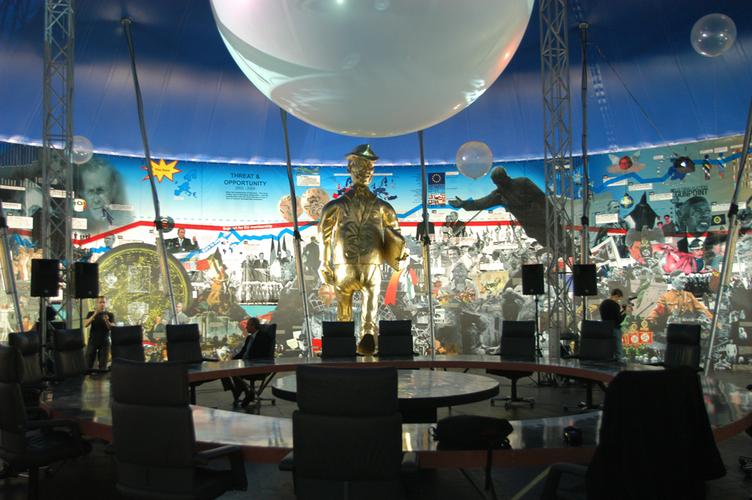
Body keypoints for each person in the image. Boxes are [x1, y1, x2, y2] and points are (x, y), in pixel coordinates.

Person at [318, 144, 406, 355]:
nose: (365, 172)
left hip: (367, 266)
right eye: (360, 167)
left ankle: (366, 340)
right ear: (350, 169)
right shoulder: (336, 207)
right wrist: (323, 263)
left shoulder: (382, 207)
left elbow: (397, 237)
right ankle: (350, 343)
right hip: (346, 266)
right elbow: (323, 235)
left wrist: (400, 256)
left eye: (369, 168)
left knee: (367, 311)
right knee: (346, 311)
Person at [450, 166, 568, 250]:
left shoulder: (523, 183)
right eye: (496, 183)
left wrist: (555, 216)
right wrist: (463, 204)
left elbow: (543, 199)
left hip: (548, 222)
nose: (498, 185)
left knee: (566, 247)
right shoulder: (499, 194)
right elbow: (480, 203)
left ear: (505, 178)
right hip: (535, 229)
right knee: (553, 253)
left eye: (499, 182)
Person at [225, 317, 273, 407]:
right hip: (247, 364)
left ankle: (242, 391)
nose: (246, 327)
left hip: (257, 367)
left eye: (248, 325)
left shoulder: (263, 337)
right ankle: (245, 392)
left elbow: (261, 355)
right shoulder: (249, 338)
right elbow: (242, 352)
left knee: (234, 373)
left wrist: (247, 361)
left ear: (253, 326)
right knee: (226, 370)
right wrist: (231, 360)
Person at [84, 296, 114, 369]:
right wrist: (95, 314)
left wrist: (106, 320)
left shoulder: (110, 314)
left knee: (103, 365)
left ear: (106, 303)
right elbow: (85, 324)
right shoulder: (91, 313)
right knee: (88, 364)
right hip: (92, 341)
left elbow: (112, 328)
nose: (102, 304)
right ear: (97, 303)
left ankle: (101, 376)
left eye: (104, 302)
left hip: (105, 342)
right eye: (100, 302)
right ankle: (88, 375)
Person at [599, 289, 628, 362]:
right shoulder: (615, 305)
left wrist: (622, 311)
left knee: (609, 348)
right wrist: (625, 313)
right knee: (618, 348)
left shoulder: (603, 303)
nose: (618, 301)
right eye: (619, 299)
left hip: (605, 328)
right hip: (615, 329)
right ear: (616, 296)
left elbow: (612, 316)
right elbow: (618, 320)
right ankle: (619, 363)